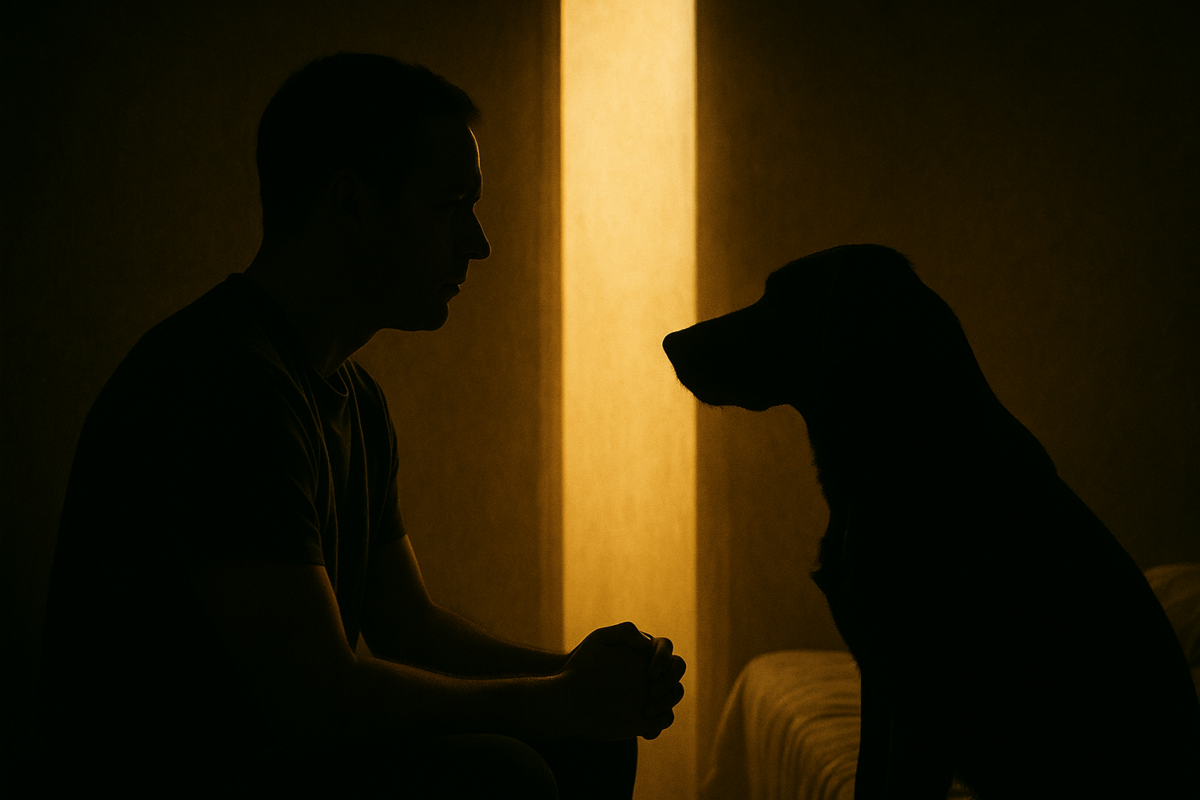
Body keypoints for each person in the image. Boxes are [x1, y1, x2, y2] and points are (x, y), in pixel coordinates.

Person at [41, 52, 685, 797]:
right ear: (351, 204)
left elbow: (409, 626)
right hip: (180, 773)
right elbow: (319, 700)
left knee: (590, 745)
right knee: (506, 776)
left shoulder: (355, 399)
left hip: (286, 755)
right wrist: (559, 700)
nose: (478, 242)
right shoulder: (221, 386)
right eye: (449, 205)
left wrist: (577, 678)